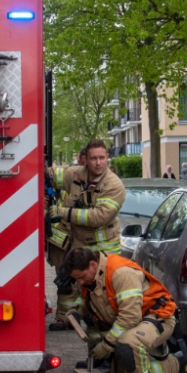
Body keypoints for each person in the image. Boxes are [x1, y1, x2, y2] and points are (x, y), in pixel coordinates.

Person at [61, 247, 187, 373]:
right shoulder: (92, 276)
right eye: (76, 279)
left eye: (81, 277)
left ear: (93, 265)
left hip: (158, 318)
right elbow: (89, 299)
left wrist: (106, 346)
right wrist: (76, 311)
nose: (80, 282)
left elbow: (129, 318)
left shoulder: (121, 273)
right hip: (136, 320)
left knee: (128, 343)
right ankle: (176, 367)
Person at [47, 140, 127, 331]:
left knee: (103, 290)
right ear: (85, 160)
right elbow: (49, 175)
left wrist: (63, 212)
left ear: (107, 157)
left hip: (104, 249)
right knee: (68, 280)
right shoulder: (75, 175)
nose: (98, 162)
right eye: (93, 158)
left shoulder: (114, 185)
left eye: (101, 158)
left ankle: (105, 325)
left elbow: (99, 217)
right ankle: (65, 321)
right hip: (79, 243)